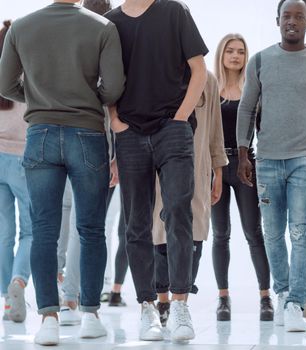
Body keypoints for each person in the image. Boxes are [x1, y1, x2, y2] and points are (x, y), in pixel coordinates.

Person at [0, 0, 125, 345]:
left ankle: (49, 320)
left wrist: (39, 96)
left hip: (39, 132)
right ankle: (89, 314)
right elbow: (113, 88)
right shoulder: (103, 28)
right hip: (87, 133)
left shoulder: (21, 27)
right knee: (91, 229)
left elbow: (4, 84)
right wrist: (86, 96)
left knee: (43, 230)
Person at [105, 0, 208, 342]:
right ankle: (148, 307)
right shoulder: (110, 22)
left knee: (178, 211)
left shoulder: (174, 12)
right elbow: (103, 78)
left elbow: (198, 69)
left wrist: (180, 117)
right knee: (136, 222)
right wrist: (115, 121)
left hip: (172, 129)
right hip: (129, 133)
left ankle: (179, 305)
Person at [237, 0, 306, 333]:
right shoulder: (261, 61)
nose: (292, 21)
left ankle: (296, 302)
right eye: (286, 16)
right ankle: (281, 294)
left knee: (300, 231)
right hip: (267, 159)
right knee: (273, 234)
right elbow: (247, 109)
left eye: (299, 16)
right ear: (277, 20)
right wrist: (242, 153)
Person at [152, 70, 228, 326]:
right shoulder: (154, 70)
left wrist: (218, 172)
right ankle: (162, 300)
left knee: (194, 234)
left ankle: (180, 303)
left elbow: (215, 131)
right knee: (159, 233)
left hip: (198, 168)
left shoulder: (207, 79)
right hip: (158, 168)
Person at [210, 33, 273, 322]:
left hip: (247, 166)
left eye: (240, 51)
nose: (235, 56)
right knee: (220, 234)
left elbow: (264, 131)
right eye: (230, 51)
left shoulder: (253, 90)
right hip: (217, 167)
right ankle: (223, 298)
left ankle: (265, 297)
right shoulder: (211, 90)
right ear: (221, 55)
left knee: (253, 233)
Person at [0, 20, 31, 324]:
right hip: (22, 159)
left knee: (3, 233)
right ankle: (18, 282)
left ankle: (8, 303)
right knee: (32, 230)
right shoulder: (27, 78)